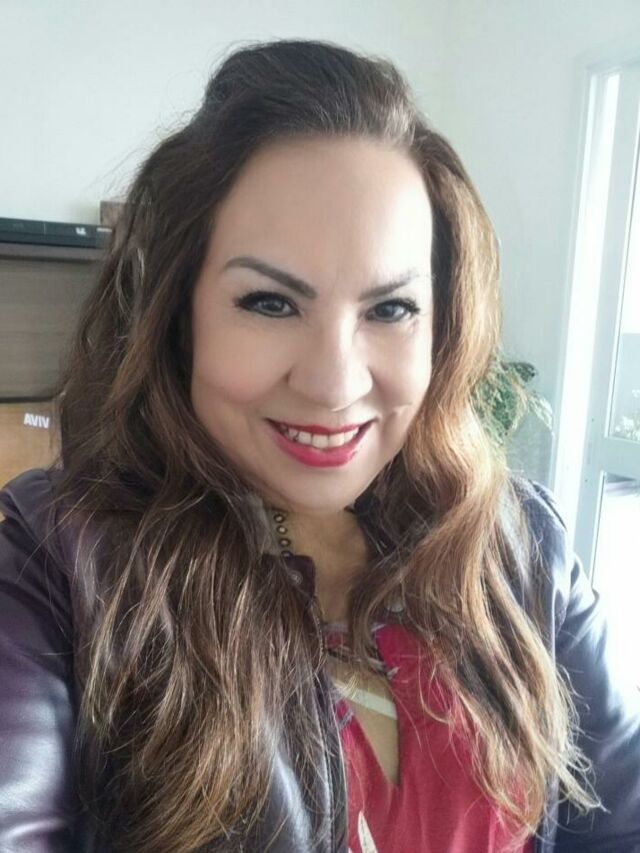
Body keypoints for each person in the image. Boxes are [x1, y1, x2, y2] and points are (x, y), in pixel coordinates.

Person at [0, 37, 639, 853]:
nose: (335, 384)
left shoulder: (520, 550)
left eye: (390, 308)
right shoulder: (60, 563)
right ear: (177, 317)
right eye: (269, 303)